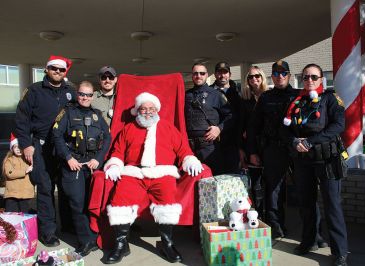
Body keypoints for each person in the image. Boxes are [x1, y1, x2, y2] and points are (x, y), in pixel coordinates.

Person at [103, 92, 203, 264]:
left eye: (151, 108)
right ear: (137, 110)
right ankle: (121, 244)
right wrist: (114, 165)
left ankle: (167, 243)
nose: (147, 112)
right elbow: (117, 152)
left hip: (162, 173)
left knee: (167, 201)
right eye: (143, 108)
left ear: (157, 110)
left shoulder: (168, 128)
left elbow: (183, 150)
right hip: (134, 172)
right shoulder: (128, 128)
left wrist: (190, 160)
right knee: (121, 197)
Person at [284, 63, 348, 266]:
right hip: (303, 161)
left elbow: (338, 125)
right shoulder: (297, 100)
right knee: (306, 204)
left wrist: (311, 141)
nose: (309, 80)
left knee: (333, 206)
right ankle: (309, 241)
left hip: (327, 158)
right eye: (305, 77)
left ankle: (340, 252)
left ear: (321, 79)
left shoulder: (331, 98)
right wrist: (294, 141)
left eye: (313, 77)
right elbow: (285, 128)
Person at [15, 55, 76, 247]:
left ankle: (68, 225)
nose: (57, 72)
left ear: (65, 72)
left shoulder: (71, 92)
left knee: (67, 189)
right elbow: (21, 119)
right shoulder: (34, 90)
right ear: (46, 70)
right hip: (41, 147)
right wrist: (26, 144)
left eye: (61, 69)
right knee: (45, 189)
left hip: (65, 148)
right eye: (54, 69)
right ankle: (47, 231)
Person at [52, 81, 111, 257]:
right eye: (82, 94)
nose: (85, 97)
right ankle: (86, 242)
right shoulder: (67, 113)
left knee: (89, 204)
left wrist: (98, 159)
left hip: (91, 166)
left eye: (88, 95)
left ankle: (93, 238)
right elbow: (56, 135)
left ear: (93, 96)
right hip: (73, 165)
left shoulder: (97, 115)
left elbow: (107, 138)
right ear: (77, 95)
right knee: (77, 204)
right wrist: (68, 158)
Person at [247, 60, 298, 239]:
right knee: (273, 190)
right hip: (273, 149)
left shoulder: (299, 96)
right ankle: (276, 225)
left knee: (304, 189)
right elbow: (253, 127)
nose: (279, 77)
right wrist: (253, 152)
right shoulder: (265, 98)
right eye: (276, 74)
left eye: (283, 73)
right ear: (272, 77)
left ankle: (313, 233)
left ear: (289, 75)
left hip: (296, 149)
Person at [185, 63, 233, 175]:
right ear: (192, 76)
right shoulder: (186, 95)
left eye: (202, 73)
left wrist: (219, 129)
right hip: (190, 150)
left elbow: (230, 116)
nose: (199, 76)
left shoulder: (216, 95)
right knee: (191, 183)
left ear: (207, 75)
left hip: (209, 148)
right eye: (195, 73)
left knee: (214, 181)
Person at [239, 66, 269, 217]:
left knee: (271, 185)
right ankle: (259, 216)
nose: (254, 79)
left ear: (262, 77)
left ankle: (272, 218)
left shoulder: (270, 96)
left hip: (270, 146)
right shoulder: (244, 101)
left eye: (257, 76)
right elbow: (240, 126)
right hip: (251, 146)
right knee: (256, 185)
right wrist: (243, 150)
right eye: (250, 77)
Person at [210, 62, 241, 174]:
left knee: (233, 177)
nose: (222, 75)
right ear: (215, 74)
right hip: (214, 143)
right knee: (216, 176)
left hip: (234, 142)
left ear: (230, 74)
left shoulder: (239, 92)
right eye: (219, 72)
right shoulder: (209, 92)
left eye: (225, 72)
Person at [2, 133, 34, 212]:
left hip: (26, 193)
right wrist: (25, 171)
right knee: (12, 216)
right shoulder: (9, 160)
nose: (18, 149)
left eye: (20, 147)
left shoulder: (29, 159)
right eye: (15, 147)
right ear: (12, 149)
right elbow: (9, 173)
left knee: (25, 215)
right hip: (12, 194)